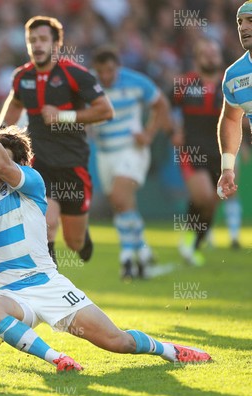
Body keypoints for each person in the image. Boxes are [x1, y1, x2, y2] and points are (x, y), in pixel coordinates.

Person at [0, 101, 211, 371]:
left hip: (47, 286)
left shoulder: (31, 181)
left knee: (119, 342)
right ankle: (59, 360)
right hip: (11, 294)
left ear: (20, 163)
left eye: (2, 158)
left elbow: (3, 166)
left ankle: (171, 350)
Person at [0, 16, 113, 265]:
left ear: (56, 44)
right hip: (39, 162)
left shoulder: (75, 75)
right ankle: (50, 282)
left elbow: (105, 110)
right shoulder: (21, 77)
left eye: (42, 40)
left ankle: (81, 236)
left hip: (73, 163)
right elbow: (14, 104)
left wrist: (64, 116)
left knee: (75, 242)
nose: (37, 45)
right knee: (47, 223)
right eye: (32, 40)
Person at [91, 47, 171, 279]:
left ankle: (126, 257)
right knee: (122, 204)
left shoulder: (136, 82)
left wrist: (149, 134)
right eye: (101, 71)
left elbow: (161, 105)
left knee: (118, 198)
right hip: (105, 153)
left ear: (118, 67)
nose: (106, 76)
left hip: (132, 150)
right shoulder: (89, 85)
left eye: (110, 70)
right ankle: (143, 251)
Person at [173, 38, 231, 266]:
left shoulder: (230, 85)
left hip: (222, 151)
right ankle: (191, 239)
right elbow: (165, 105)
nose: (210, 56)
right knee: (204, 196)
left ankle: (193, 240)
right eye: (205, 52)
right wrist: (174, 130)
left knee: (212, 203)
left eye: (214, 52)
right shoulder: (185, 83)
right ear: (197, 57)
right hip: (192, 150)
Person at [217, 1, 252, 202]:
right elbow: (231, 119)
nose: (243, 27)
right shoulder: (234, 75)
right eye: (240, 22)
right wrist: (228, 168)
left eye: (250, 21)